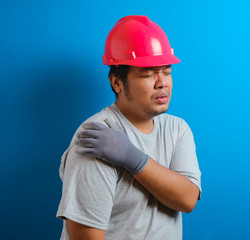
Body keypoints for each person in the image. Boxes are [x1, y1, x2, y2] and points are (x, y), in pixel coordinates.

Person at [56, 15, 201, 240]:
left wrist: (133, 158)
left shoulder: (177, 129)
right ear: (117, 82)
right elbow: (86, 236)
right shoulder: (95, 137)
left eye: (167, 71)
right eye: (148, 73)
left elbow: (187, 199)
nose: (162, 82)